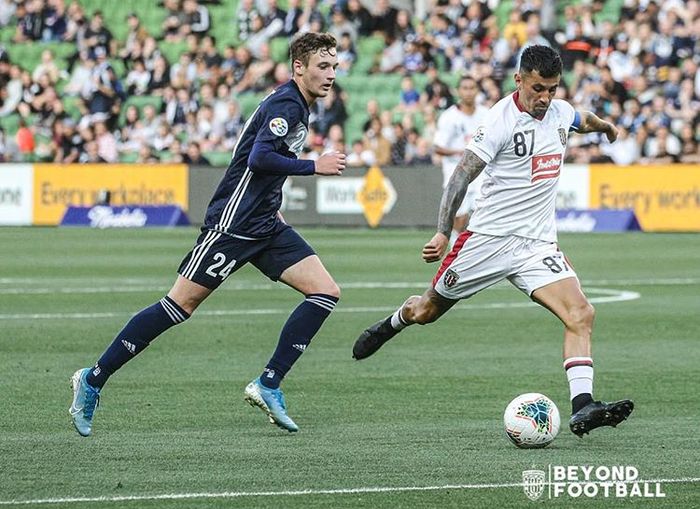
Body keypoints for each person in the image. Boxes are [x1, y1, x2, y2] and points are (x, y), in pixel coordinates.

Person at [70, 32, 345, 436]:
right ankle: (92, 379)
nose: (331, 74)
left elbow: (263, 164)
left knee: (325, 291)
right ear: (298, 67)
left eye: (335, 66)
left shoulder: (299, 105)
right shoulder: (287, 103)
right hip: (231, 226)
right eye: (323, 66)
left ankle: (269, 383)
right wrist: (312, 166)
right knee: (178, 306)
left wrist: (273, 202)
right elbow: (260, 157)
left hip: (266, 224)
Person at [353, 45, 633, 438]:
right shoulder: (499, 121)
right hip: (486, 240)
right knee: (428, 311)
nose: (545, 98)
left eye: (552, 89)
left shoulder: (558, 111)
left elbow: (580, 119)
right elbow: (461, 176)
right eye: (538, 88)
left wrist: (605, 127)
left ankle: (583, 405)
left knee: (581, 313)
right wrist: (443, 231)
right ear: (518, 80)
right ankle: (394, 323)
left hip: (536, 245)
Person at [433, 75, 488, 244]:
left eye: (472, 88)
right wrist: (461, 152)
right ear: (458, 91)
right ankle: (455, 253)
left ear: (477, 91)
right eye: (465, 88)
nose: (469, 92)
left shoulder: (486, 114)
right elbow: (437, 147)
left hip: (481, 174)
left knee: (481, 217)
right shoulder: (449, 117)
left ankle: (472, 253)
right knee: (459, 219)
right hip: (455, 174)